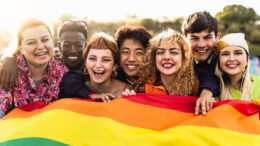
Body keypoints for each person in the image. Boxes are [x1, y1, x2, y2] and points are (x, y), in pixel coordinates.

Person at [0, 18, 66, 119]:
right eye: (31, 42)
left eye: (45, 40)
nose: (40, 46)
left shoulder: (62, 71)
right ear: (20, 48)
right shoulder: (8, 73)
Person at [0, 20, 88, 90]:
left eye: (79, 45)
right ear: (59, 46)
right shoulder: (52, 60)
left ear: (86, 46)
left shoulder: (94, 65)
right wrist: (9, 60)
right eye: (66, 45)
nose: (72, 50)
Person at [60, 32, 130, 102]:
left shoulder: (128, 91)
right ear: (86, 62)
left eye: (105, 60)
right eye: (92, 59)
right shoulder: (76, 83)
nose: (98, 65)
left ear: (115, 66)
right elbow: (67, 80)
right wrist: (91, 95)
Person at [130, 29, 198, 96]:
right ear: (154, 57)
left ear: (184, 57)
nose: (166, 57)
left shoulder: (195, 88)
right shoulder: (144, 88)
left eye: (174, 52)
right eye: (161, 52)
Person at [182, 11, 220, 114]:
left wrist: (207, 91)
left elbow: (209, 76)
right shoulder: (177, 60)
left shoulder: (226, 59)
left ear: (217, 38)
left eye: (207, 38)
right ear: (185, 39)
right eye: (194, 38)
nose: (201, 44)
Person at [215, 33, 260, 101]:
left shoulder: (258, 85)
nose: (232, 59)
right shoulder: (213, 90)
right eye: (225, 54)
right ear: (218, 60)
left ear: (247, 59)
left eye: (238, 53)